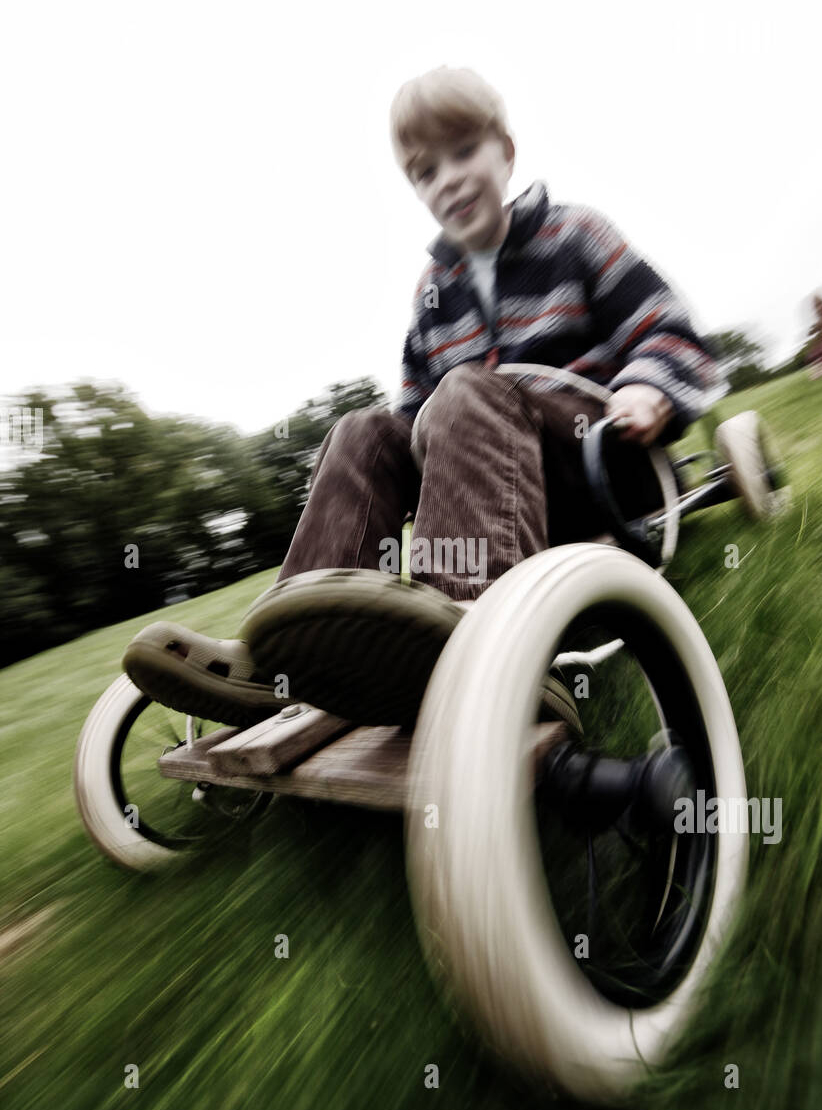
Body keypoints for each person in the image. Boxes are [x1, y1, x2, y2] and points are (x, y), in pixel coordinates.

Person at [123, 65, 717, 727]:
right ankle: (293, 648)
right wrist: (400, 444)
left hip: (593, 462)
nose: (450, 178)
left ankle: (470, 627)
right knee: (364, 431)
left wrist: (645, 386)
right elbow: (412, 424)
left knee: (465, 391)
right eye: (426, 171)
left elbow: (671, 334)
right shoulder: (436, 291)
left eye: (464, 152)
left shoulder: (575, 235)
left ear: (507, 151)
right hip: (489, 483)